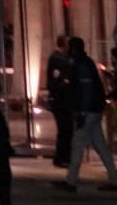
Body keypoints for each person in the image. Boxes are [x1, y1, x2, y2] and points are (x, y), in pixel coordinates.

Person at [58, 37, 117, 193]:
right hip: (94, 111)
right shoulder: (84, 63)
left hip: (87, 112)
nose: (66, 50)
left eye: (68, 47)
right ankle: (115, 180)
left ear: (74, 49)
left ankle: (71, 181)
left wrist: (82, 111)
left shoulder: (81, 65)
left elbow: (86, 90)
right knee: (100, 146)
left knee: (77, 145)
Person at [45, 38, 77, 167]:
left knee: (67, 128)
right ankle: (61, 157)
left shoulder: (62, 58)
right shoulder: (56, 58)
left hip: (64, 99)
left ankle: (65, 157)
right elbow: (69, 67)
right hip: (59, 99)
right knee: (65, 128)